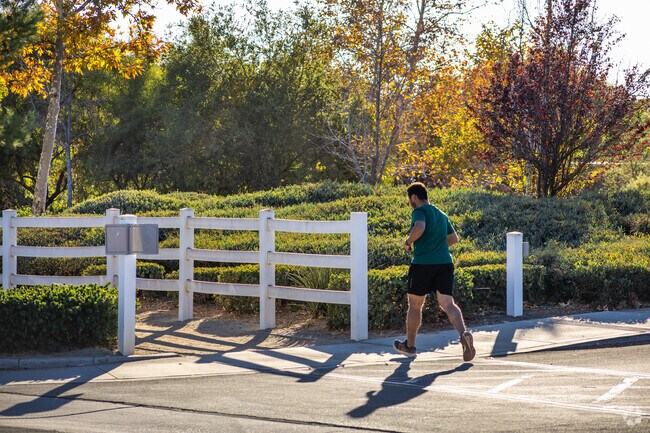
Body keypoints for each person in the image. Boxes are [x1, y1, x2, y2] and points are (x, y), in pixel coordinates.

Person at [393, 182, 476, 362]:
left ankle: (410, 347)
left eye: (409, 199)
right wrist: (438, 247)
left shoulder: (419, 211)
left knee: (415, 305)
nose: (410, 202)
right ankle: (464, 334)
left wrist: (408, 242)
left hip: (423, 264)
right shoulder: (441, 214)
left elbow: (420, 227)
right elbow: (454, 238)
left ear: (414, 197)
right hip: (445, 263)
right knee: (448, 303)